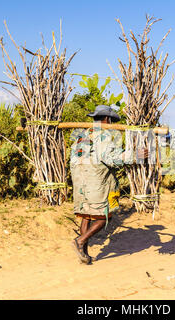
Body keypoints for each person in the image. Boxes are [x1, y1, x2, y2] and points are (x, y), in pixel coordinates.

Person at [70, 105, 148, 264]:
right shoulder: (104, 136)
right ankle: (80, 241)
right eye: (111, 120)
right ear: (107, 119)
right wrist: (135, 155)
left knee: (86, 216)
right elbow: (112, 158)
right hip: (95, 180)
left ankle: (83, 255)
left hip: (79, 180)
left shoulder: (83, 134)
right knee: (105, 216)